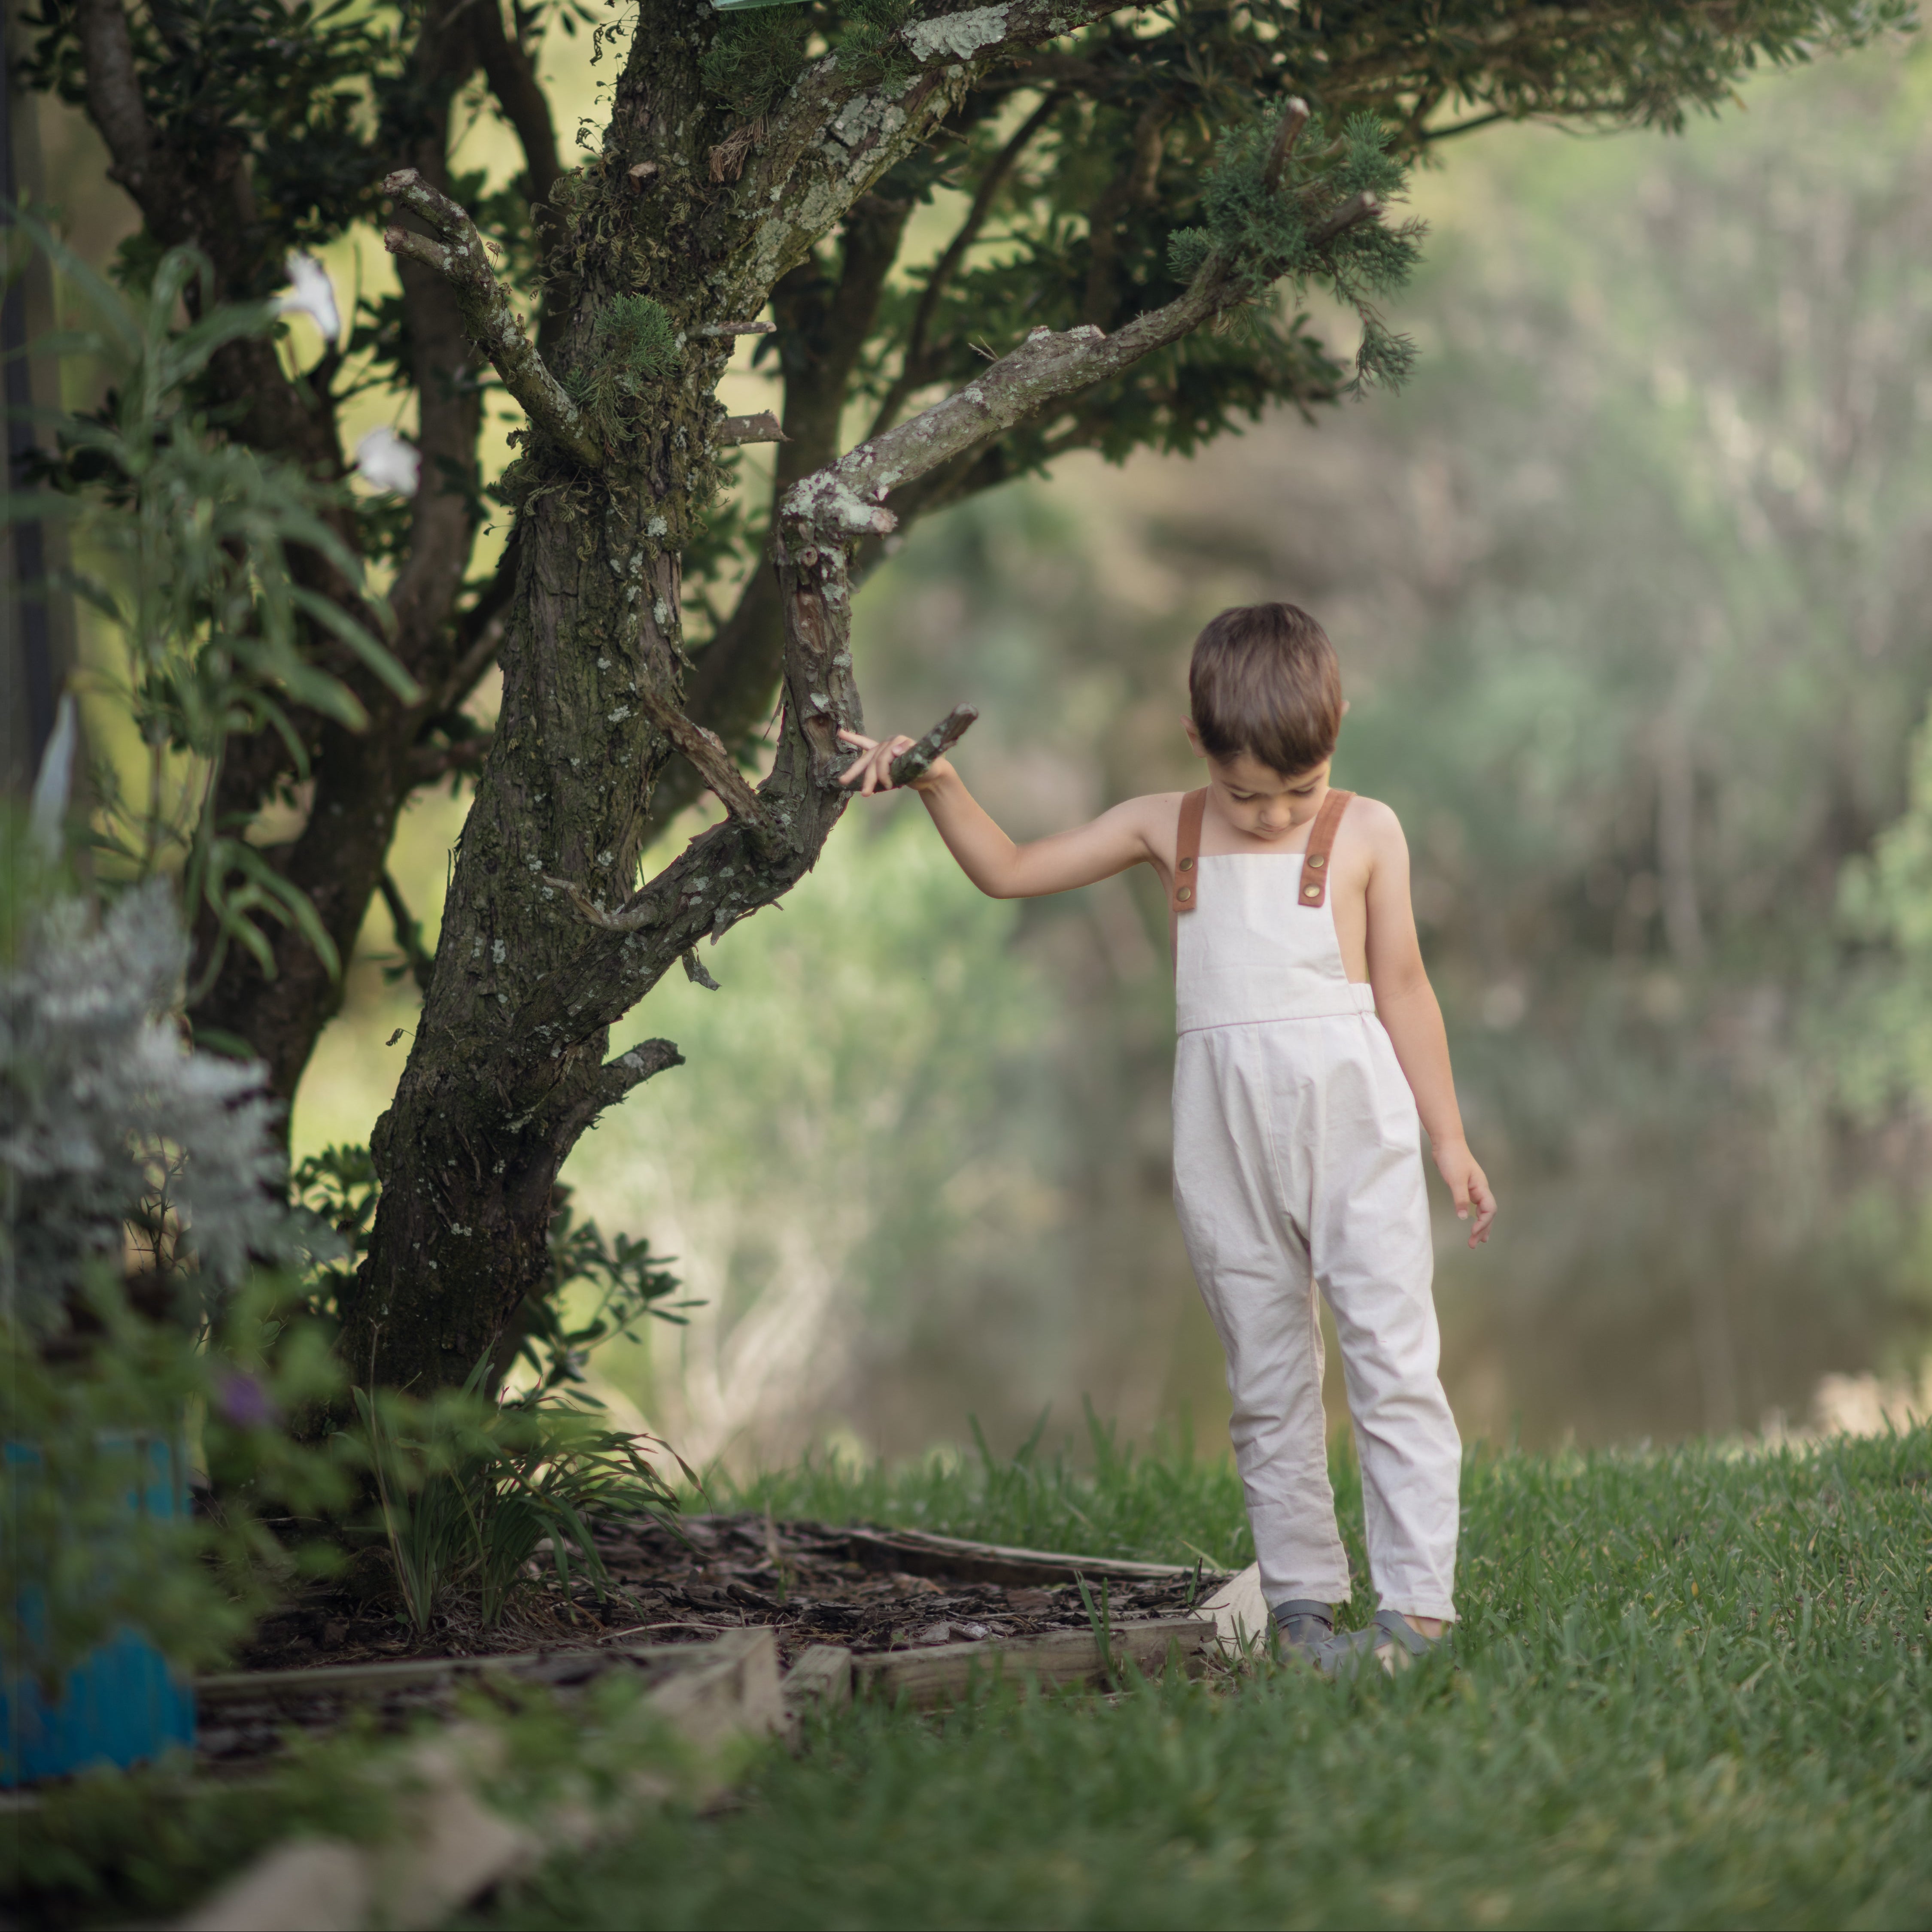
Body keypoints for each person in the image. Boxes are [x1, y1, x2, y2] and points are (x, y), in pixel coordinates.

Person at [838, 601, 1496, 1675]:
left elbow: (1408, 989)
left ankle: (1417, 1610)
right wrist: (937, 781)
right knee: (1266, 1372)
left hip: (1356, 1126)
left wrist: (1451, 1141)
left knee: (1392, 1356)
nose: (1278, 815)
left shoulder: (1369, 831)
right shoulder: (1165, 826)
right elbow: (1008, 870)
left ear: (1337, 739)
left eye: (1303, 788)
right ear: (1199, 746)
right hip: (1223, 1139)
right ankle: (1303, 1604)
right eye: (1249, 792)